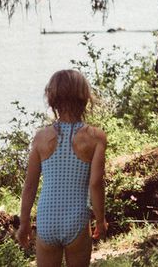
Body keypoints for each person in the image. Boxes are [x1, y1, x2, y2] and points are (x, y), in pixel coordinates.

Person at [17, 69, 108, 267]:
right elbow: (95, 183)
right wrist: (100, 220)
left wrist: (24, 223)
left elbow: (30, 185)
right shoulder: (96, 137)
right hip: (76, 218)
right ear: (84, 97)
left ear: (52, 99)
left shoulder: (41, 137)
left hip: (46, 219)